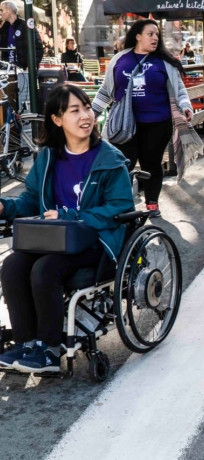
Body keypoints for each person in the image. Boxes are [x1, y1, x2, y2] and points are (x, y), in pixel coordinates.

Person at [0, 84, 135, 372]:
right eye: (75, 110)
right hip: (56, 239)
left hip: (96, 241)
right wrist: (3, 207)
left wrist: (72, 215)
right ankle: (26, 343)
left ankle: (49, 349)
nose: (86, 115)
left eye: (86, 108)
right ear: (57, 119)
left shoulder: (109, 160)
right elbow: (30, 201)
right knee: (12, 265)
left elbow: (121, 208)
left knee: (45, 268)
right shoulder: (48, 157)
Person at [92, 19, 193, 218]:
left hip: (157, 123)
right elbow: (106, 91)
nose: (155, 38)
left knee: (151, 163)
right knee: (123, 164)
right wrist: (92, 113)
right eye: (150, 34)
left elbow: (179, 89)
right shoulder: (120, 59)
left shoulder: (164, 62)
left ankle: (152, 203)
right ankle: (121, 204)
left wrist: (186, 106)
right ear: (138, 36)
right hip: (124, 124)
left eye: (157, 35)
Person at [0, 0, 43, 70]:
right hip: (7, 71)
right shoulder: (5, 27)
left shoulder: (25, 26)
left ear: (9, 10)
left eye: (2, 10)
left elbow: (38, 48)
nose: (0, 13)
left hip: (23, 70)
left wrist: (30, 66)